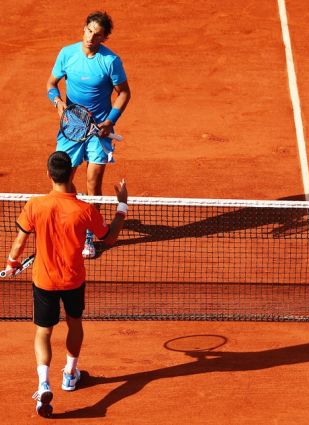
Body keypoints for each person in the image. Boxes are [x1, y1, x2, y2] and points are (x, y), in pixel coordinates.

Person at [3, 151, 128, 418]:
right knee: (74, 323)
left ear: (48, 174)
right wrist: (122, 206)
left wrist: (12, 263)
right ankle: (70, 374)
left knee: (43, 333)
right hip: (73, 280)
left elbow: (19, 243)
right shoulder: (84, 210)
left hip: (44, 282)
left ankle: (43, 382)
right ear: (73, 174)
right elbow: (110, 238)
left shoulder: (34, 205)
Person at [46, 10, 131, 259]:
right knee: (64, 179)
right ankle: (67, 221)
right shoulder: (67, 54)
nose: (91, 38)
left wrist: (110, 121)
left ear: (104, 39)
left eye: (98, 35)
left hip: (99, 132)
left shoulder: (111, 61)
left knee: (93, 181)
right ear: (84, 28)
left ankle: (88, 235)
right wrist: (58, 102)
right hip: (71, 127)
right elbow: (51, 84)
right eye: (89, 31)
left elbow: (124, 93)